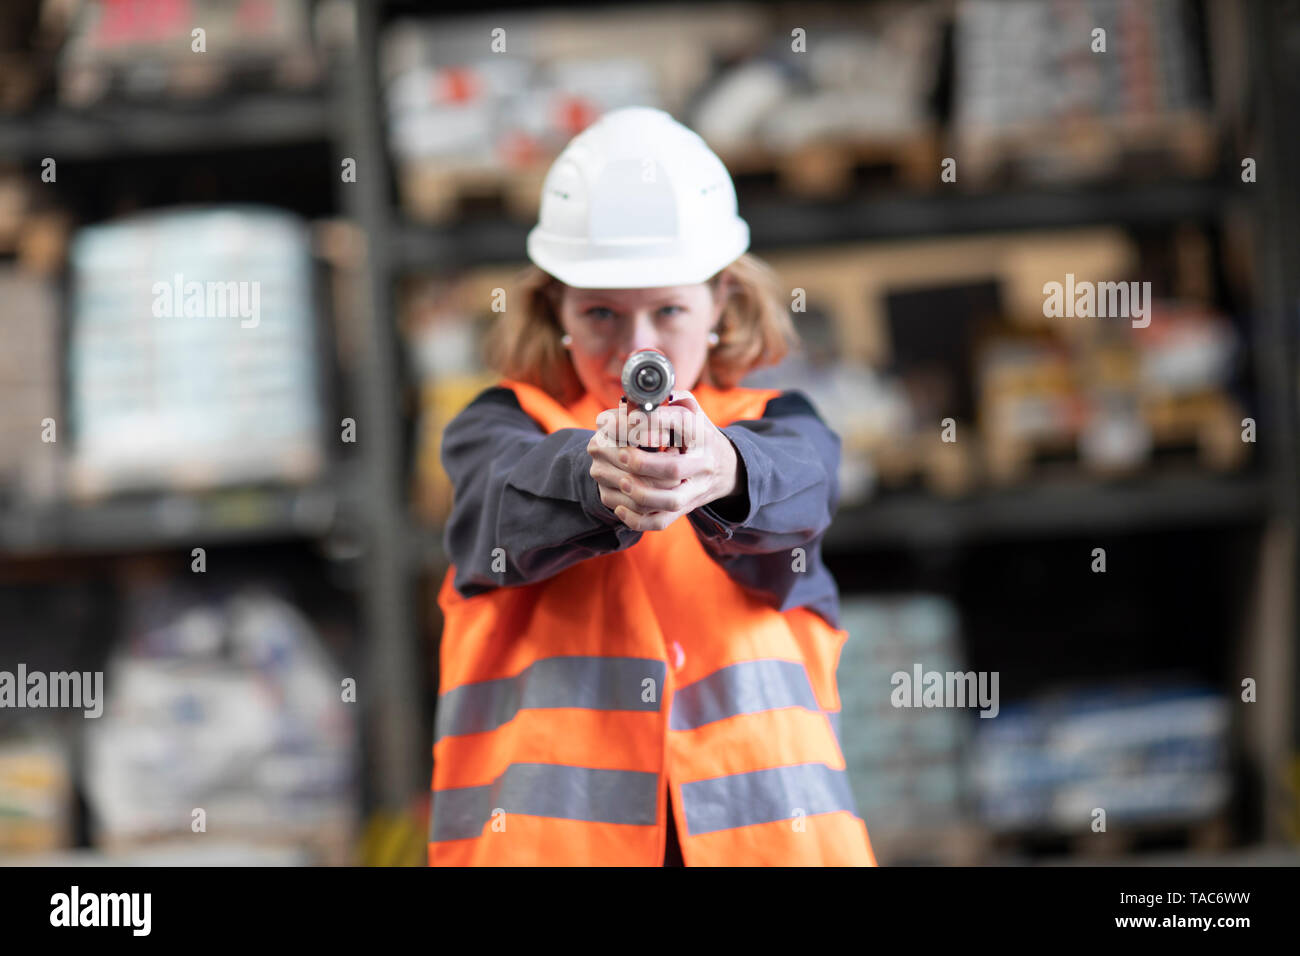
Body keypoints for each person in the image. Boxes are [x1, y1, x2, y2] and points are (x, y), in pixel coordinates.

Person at [428, 107, 877, 866]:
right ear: (554, 309)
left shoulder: (777, 426)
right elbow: (496, 499)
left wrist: (727, 471)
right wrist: (590, 477)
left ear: (720, 306)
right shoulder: (502, 426)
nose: (639, 351)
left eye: (668, 311)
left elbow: (806, 484)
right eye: (602, 313)